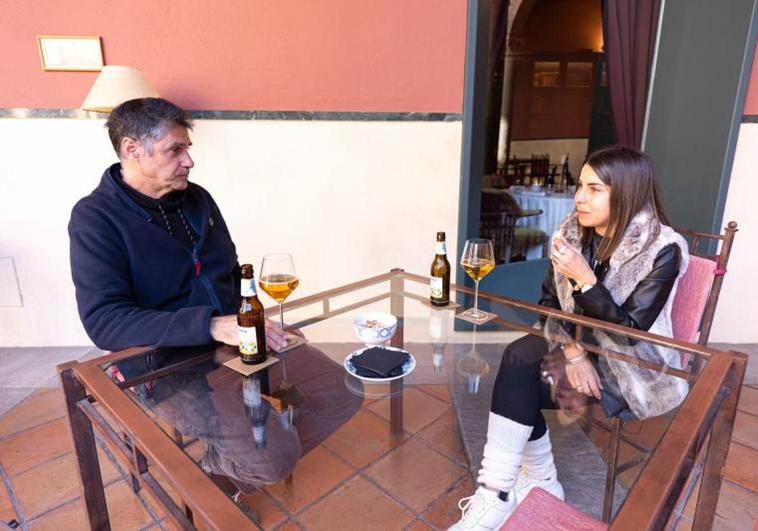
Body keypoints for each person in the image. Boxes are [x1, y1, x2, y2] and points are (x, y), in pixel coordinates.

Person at [449, 145, 690, 530]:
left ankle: (526, 486)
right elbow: (547, 305)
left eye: (595, 189)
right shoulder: (573, 235)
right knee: (519, 358)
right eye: (580, 185)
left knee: (517, 381)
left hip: (632, 365)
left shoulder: (661, 251)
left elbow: (628, 335)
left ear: (625, 194)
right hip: (580, 347)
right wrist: (575, 353)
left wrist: (586, 279)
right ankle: (500, 492)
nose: (580, 197)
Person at [69, 97, 288, 364]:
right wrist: (212, 325)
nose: (189, 161)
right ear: (132, 149)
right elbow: (105, 322)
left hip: (229, 347)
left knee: (305, 385)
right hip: (162, 360)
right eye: (175, 150)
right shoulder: (95, 217)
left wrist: (256, 325)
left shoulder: (199, 198)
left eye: (187, 148)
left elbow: (230, 272)